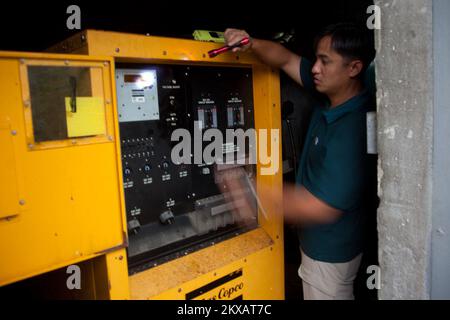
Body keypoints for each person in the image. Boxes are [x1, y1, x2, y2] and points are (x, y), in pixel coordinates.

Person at [223, 23, 377, 300]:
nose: (315, 68)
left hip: (328, 255)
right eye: (316, 59)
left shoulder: (353, 129)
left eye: (325, 61)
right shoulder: (334, 92)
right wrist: (250, 43)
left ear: (353, 68)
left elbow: (320, 207)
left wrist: (246, 191)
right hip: (324, 246)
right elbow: (285, 58)